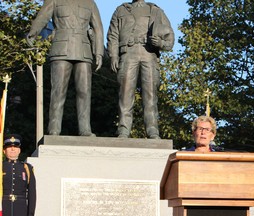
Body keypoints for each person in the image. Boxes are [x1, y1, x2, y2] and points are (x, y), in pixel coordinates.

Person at [26, 0, 104, 136]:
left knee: (84, 92)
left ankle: (85, 129)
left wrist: (98, 52)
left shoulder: (90, 3)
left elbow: (98, 28)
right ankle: (54, 129)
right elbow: (43, 16)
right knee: (58, 91)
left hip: (83, 50)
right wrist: (33, 33)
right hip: (61, 49)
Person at [107, 0, 175, 139]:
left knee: (150, 95)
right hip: (128, 54)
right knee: (125, 94)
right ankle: (123, 130)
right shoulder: (121, 10)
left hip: (149, 55)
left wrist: (161, 43)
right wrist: (113, 56)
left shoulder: (155, 11)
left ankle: (152, 130)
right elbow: (113, 35)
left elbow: (170, 37)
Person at [2, 134, 36, 216]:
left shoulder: (27, 168)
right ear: (4, 151)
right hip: (3, 208)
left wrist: (30, 213)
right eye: (9, 147)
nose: (13, 149)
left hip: (21, 209)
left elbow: (32, 193)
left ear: (19, 150)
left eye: (16, 147)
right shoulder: (0, 167)